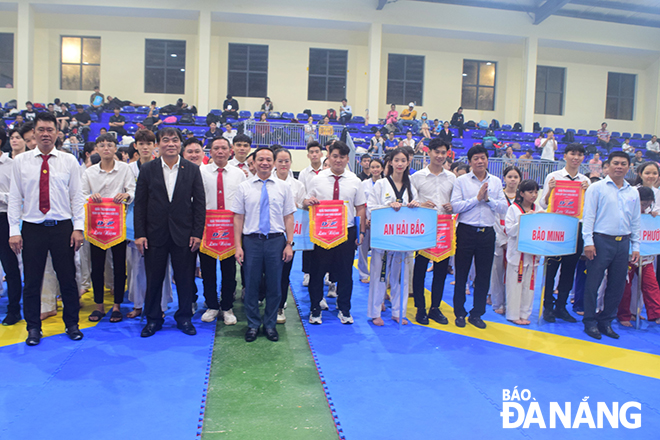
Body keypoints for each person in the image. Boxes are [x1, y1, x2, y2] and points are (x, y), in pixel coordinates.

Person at [8, 112, 85, 345]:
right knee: (32, 280)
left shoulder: (68, 160)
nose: (45, 134)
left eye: (49, 130)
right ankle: (33, 327)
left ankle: (72, 324)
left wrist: (78, 227)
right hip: (33, 227)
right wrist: (14, 230)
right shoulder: (21, 161)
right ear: (34, 132)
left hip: (62, 227)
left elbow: (77, 197)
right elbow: (14, 198)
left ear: (56, 133)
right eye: (40, 129)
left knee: (68, 279)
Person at [133, 127, 206, 337]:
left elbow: (199, 204)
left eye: (175, 140)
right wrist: (140, 234)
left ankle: (184, 318)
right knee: (154, 278)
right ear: (158, 144)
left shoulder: (191, 169)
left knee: (184, 279)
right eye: (166, 140)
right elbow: (140, 204)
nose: (171, 144)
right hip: (154, 233)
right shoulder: (148, 169)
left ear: (180, 144)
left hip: (184, 234)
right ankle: (153, 319)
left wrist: (197, 233)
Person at [232, 147, 295, 342]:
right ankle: (252, 324)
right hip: (252, 241)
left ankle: (269, 324)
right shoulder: (244, 187)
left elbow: (289, 217)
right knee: (251, 284)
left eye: (269, 159)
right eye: (261, 159)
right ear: (254, 162)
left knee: (274, 285)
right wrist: (238, 246)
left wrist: (289, 244)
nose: (265, 163)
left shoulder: (283, 187)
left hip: (276, 241)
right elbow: (238, 218)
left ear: (274, 162)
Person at [304, 141, 366, 325]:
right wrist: (308, 202)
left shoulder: (355, 181)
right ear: (328, 157)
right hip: (322, 233)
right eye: (334, 156)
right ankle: (315, 307)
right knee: (317, 272)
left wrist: (361, 231)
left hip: (346, 233)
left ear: (348, 159)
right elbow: (307, 202)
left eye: (342, 157)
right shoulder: (317, 179)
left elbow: (360, 207)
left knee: (346, 273)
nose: (338, 160)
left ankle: (344, 308)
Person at [582, 151, 640, 340]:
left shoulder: (633, 192)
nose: (619, 166)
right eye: (616, 163)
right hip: (600, 241)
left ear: (629, 167)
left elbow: (636, 221)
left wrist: (635, 246)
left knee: (617, 285)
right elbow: (588, 217)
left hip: (622, 243)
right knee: (593, 284)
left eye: (623, 163)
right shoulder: (597, 188)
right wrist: (588, 242)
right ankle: (590, 321)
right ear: (608, 166)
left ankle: (606, 321)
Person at [450, 145, 508, 329]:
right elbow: (455, 206)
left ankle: (477, 313)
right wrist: (477, 198)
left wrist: (488, 199)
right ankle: (459, 312)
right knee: (461, 274)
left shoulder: (496, 182)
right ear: (470, 162)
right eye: (476, 158)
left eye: (483, 157)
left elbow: (504, 208)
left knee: (483, 276)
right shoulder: (461, 181)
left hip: (487, 233)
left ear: (487, 160)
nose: (480, 161)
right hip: (466, 231)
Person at [82, 133, 135, 323]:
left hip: (117, 225)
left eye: (110, 145)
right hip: (96, 225)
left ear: (115, 148)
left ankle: (117, 305)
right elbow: (80, 195)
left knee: (120, 266)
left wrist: (126, 196)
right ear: (96, 149)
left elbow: (132, 190)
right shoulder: (89, 173)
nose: (106, 148)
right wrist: (90, 198)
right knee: (97, 266)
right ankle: (98, 305)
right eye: (102, 145)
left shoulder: (125, 169)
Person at [367, 148, 419, 326]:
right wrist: (388, 205)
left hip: (402, 238)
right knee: (379, 276)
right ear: (390, 162)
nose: (399, 164)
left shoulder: (411, 185)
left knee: (401, 277)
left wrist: (414, 205)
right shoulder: (381, 184)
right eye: (396, 160)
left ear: (407, 163)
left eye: (403, 160)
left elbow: (417, 208)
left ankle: (399, 312)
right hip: (383, 237)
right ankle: (375, 312)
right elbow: (371, 208)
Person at [539, 143, 590, 323]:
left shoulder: (586, 181)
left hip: (576, 229)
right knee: (551, 269)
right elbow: (544, 205)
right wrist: (551, 190)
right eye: (572, 154)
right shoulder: (553, 176)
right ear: (565, 156)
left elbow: (588, 209)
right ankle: (547, 307)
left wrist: (586, 191)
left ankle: (561, 306)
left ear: (583, 157)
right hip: (556, 228)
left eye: (579, 154)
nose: (576, 158)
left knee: (569, 270)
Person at [125, 129, 173, 319]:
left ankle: (161, 305)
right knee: (136, 267)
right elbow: (127, 191)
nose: (145, 147)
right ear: (135, 146)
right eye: (141, 144)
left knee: (162, 267)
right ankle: (138, 304)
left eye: (149, 143)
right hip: (133, 221)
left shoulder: (160, 167)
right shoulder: (128, 169)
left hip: (159, 223)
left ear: (155, 146)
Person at [199, 137, 246, 325]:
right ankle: (211, 305)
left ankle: (227, 306)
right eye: (216, 148)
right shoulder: (200, 172)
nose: (220, 151)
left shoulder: (239, 174)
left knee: (229, 271)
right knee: (207, 270)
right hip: (207, 229)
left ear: (230, 151)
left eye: (223, 148)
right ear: (210, 151)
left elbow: (243, 201)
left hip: (230, 229)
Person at [411, 139, 456, 325]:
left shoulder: (452, 178)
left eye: (443, 152)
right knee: (420, 270)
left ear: (447, 154)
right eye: (436, 152)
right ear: (428, 152)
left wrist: (453, 206)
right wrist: (421, 205)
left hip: (445, 229)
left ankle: (435, 308)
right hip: (424, 228)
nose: (439, 156)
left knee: (440, 271)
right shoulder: (417, 177)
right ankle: (420, 308)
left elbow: (457, 202)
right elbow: (411, 202)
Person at [617, 186, 660, 326]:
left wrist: (652, 217)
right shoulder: (626, 214)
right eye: (643, 204)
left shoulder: (650, 216)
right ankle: (624, 315)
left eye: (648, 204)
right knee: (626, 288)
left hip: (645, 258)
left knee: (651, 285)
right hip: (628, 256)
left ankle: (656, 314)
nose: (645, 206)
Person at [273, 148, 306, 324]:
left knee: (284, 272)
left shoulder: (298, 185)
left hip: (289, 236)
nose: (284, 164)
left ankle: (279, 306)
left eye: (287, 161)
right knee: (266, 272)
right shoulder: (267, 181)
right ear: (274, 163)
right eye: (280, 161)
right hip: (269, 234)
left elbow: (302, 207)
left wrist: (302, 203)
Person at [504, 179, 543, 325]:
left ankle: (525, 313)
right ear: (522, 193)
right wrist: (524, 219)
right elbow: (510, 231)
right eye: (530, 192)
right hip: (517, 254)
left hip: (532, 253)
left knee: (529, 286)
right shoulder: (513, 209)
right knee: (515, 285)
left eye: (536, 192)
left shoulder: (538, 208)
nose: (534, 195)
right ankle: (513, 314)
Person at [488, 166, 520, 315]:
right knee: (497, 273)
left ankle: (511, 303)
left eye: (515, 177)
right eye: (509, 176)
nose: (512, 180)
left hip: (517, 242)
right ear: (504, 179)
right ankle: (497, 302)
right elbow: (494, 219)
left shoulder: (523, 197)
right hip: (499, 240)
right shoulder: (499, 196)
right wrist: (502, 240)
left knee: (514, 274)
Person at [0, 141, 22, 326]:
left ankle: (14, 310)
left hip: (3, 218)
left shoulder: (11, 165)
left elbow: (17, 196)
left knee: (10, 266)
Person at [297, 141, 324, 286]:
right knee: (307, 244)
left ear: (321, 154)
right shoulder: (303, 173)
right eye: (311, 152)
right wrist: (306, 202)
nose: (314, 154)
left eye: (316, 151)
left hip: (325, 213)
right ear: (308, 155)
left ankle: (325, 273)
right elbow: (302, 194)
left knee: (324, 245)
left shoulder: (327, 171)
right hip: (309, 213)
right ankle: (307, 273)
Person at [358, 158, 383, 283]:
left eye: (377, 167)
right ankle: (363, 274)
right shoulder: (364, 184)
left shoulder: (385, 184)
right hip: (366, 220)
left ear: (382, 168)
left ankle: (376, 274)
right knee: (362, 248)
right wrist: (365, 220)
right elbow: (361, 203)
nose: (375, 169)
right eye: (373, 167)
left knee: (377, 251)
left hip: (380, 222)